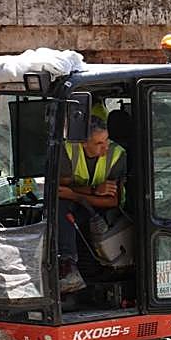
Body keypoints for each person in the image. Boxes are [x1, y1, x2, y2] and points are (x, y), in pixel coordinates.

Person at [57, 116, 126, 295]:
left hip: (105, 210)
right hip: (78, 205)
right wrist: (94, 190)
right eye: (98, 143)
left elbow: (113, 200)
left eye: (106, 141)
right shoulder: (67, 150)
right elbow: (59, 190)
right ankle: (68, 266)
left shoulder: (117, 155)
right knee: (61, 207)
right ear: (83, 143)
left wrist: (76, 194)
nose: (105, 147)